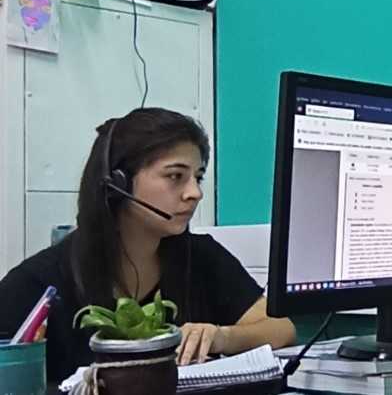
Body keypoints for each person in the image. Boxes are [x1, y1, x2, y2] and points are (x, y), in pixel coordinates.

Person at [0, 108, 296, 384]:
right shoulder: (37, 282)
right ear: (118, 183)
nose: (195, 193)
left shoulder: (202, 256)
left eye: (198, 177)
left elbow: (282, 327)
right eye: (175, 176)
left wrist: (222, 337)